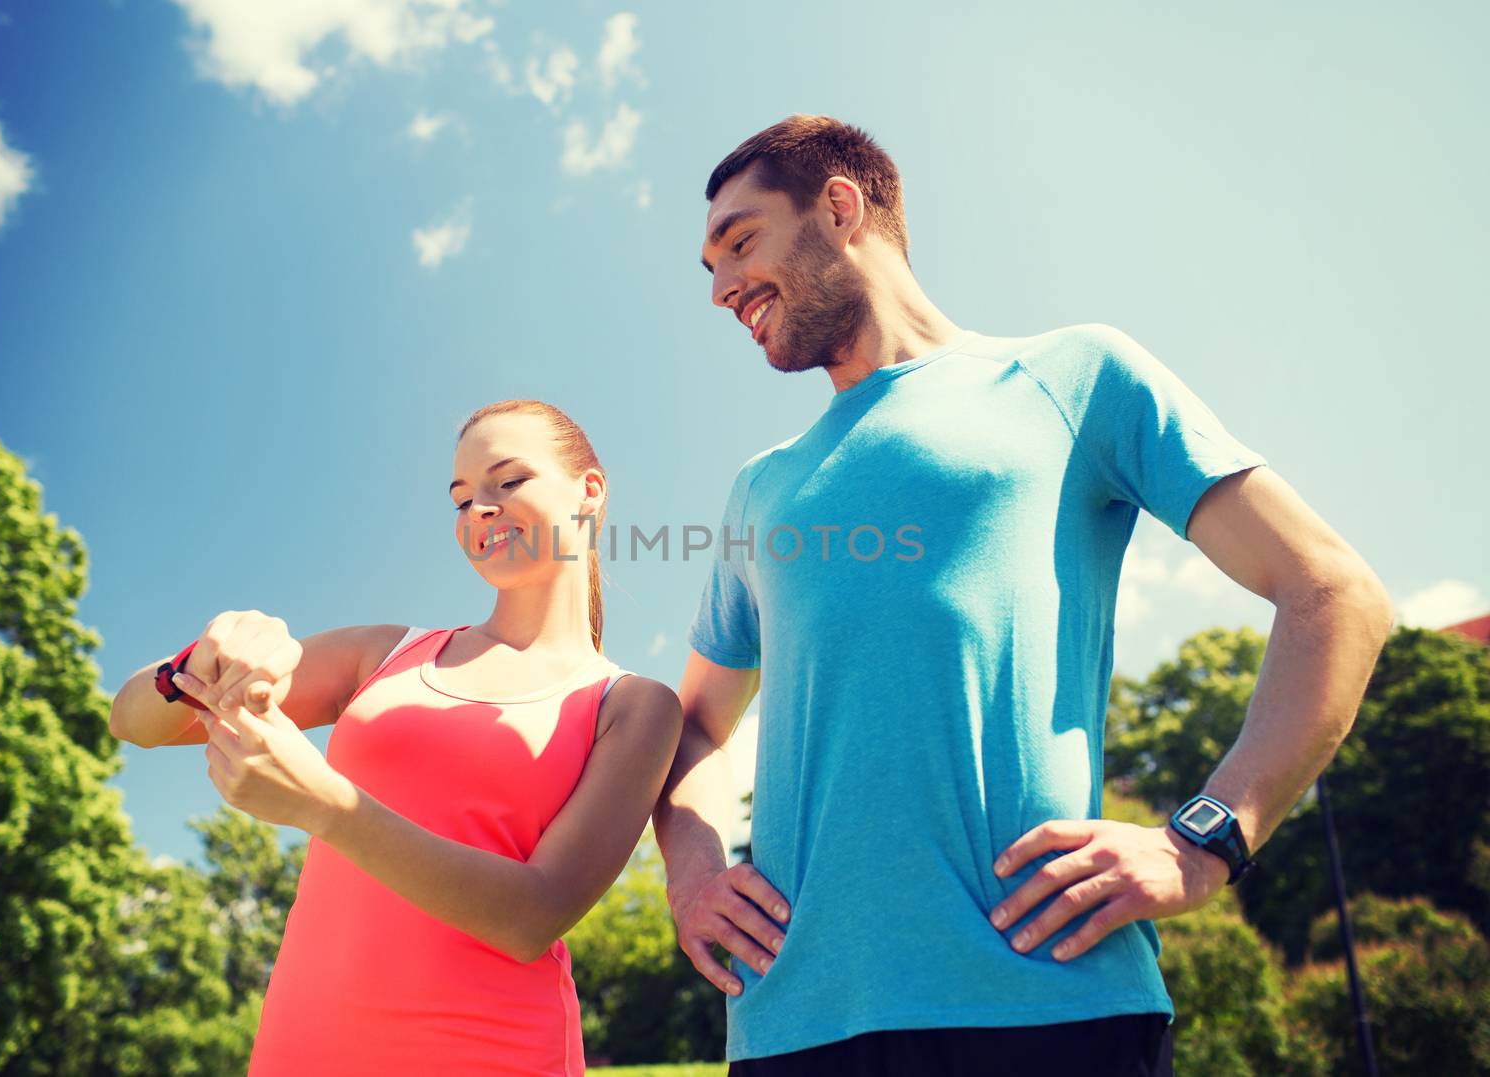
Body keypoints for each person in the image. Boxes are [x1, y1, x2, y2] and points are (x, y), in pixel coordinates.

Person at [652, 115, 1394, 1075]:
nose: (720, 290)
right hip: (796, 1022)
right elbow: (696, 727)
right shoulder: (763, 485)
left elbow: (1333, 589)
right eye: (708, 267)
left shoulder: (1072, 376)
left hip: (1052, 1008)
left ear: (841, 208)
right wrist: (694, 872)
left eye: (740, 241)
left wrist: (1204, 839)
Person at [109, 399, 683, 1076]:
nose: (480, 510)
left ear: (589, 492)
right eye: (462, 498)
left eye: (508, 481)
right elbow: (134, 720)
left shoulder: (633, 705)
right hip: (304, 1046)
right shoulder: (385, 653)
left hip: (492, 1053)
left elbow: (536, 914)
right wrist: (204, 657)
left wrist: (326, 806)